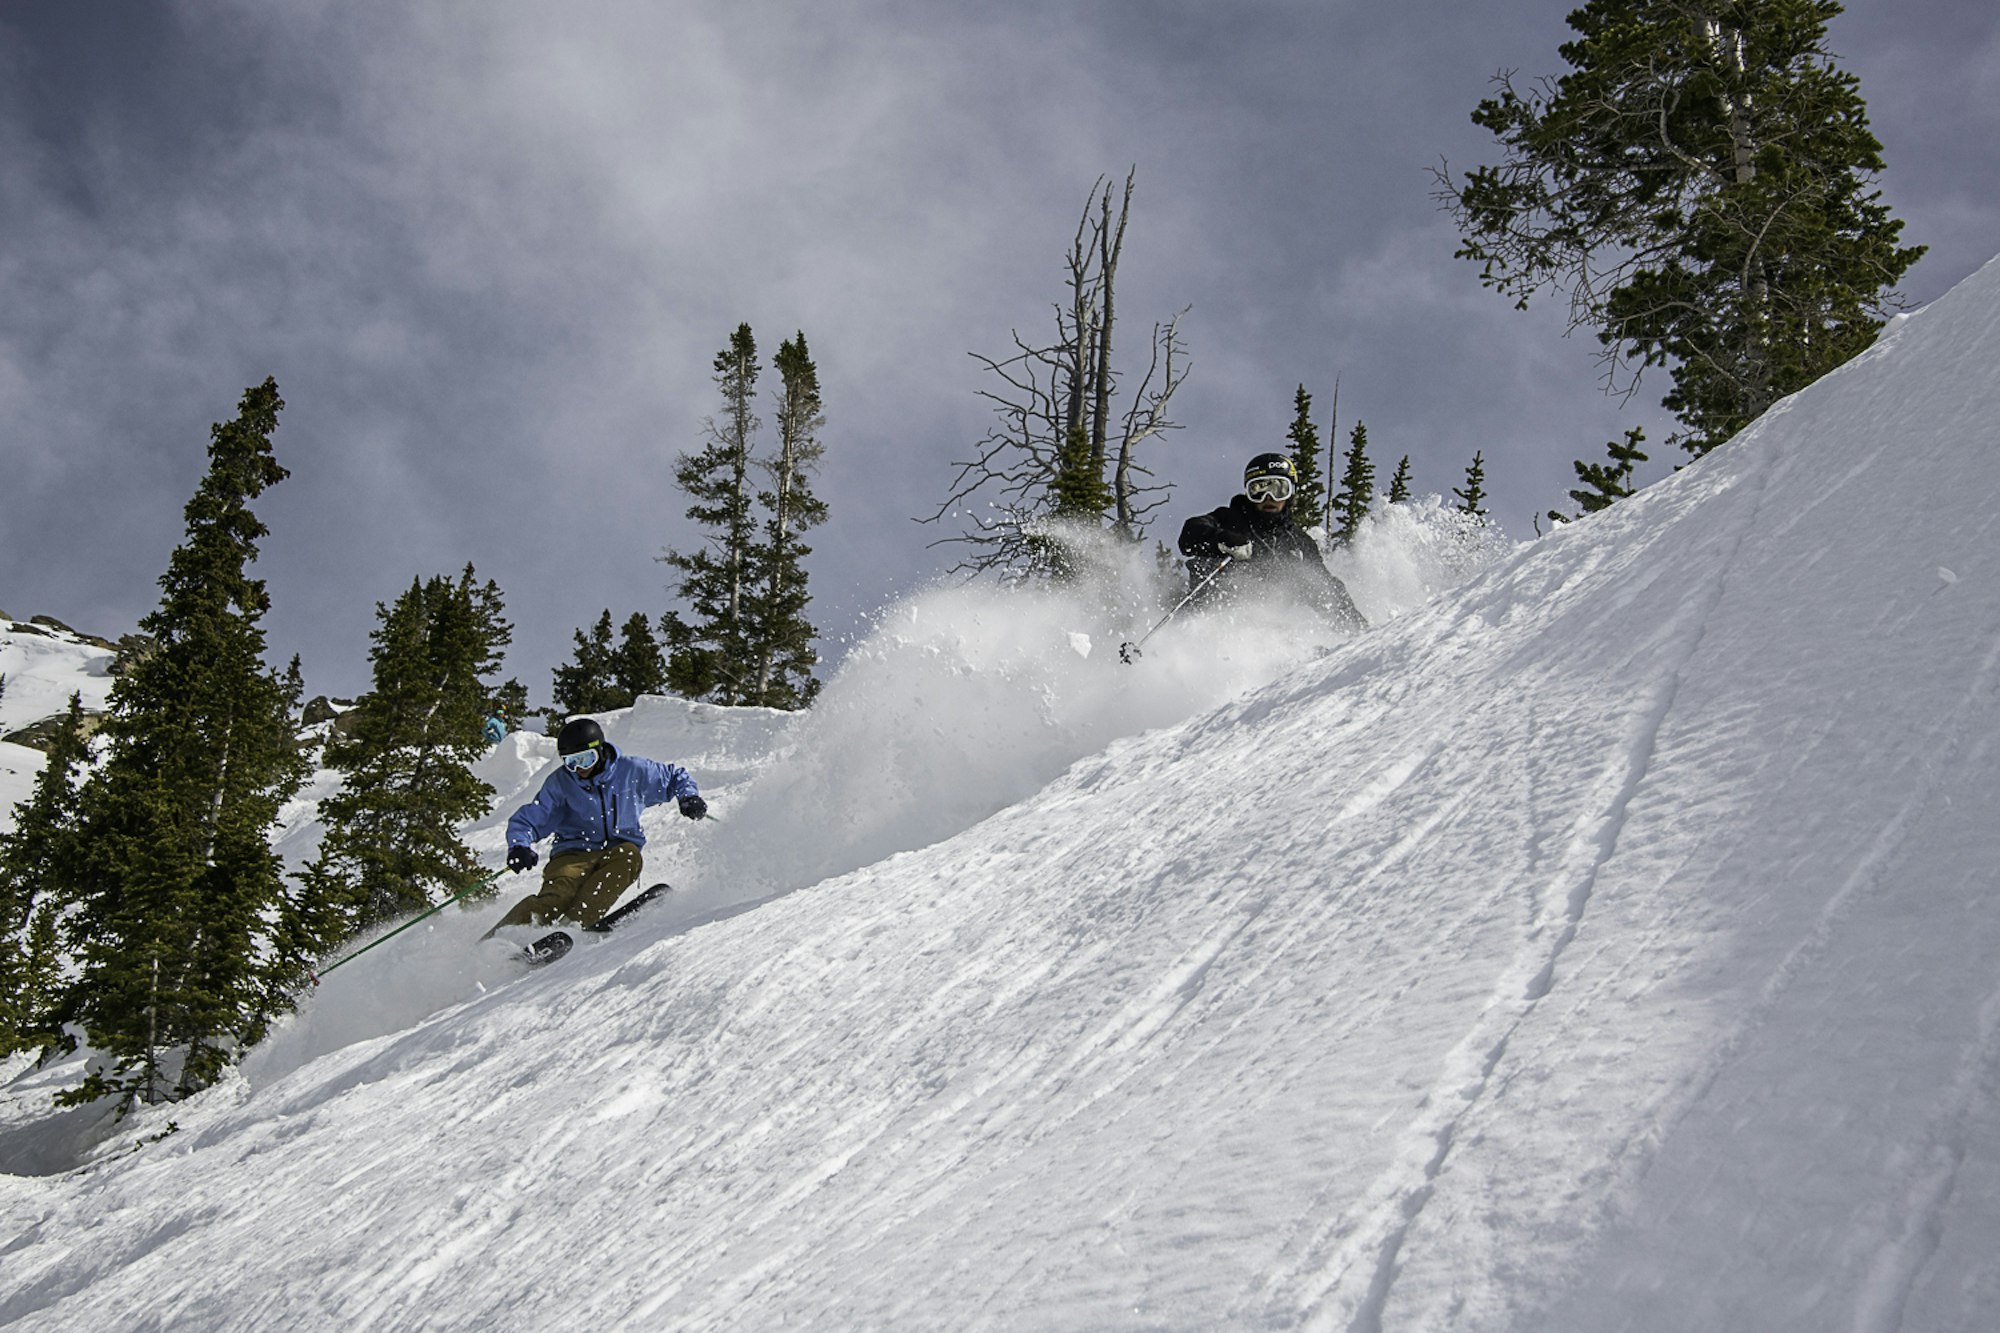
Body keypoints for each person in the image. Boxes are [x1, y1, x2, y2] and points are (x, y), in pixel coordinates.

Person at [485, 717, 708, 935]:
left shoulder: (631, 770)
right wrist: (519, 845)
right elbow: (529, 818)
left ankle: (575, 924)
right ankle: (498, 940)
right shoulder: (561, 783)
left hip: (619, 850)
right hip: (573, 853)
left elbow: (674, 777)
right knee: (556, 898)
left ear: (600, 750)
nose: (579, 769)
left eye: (585, 759)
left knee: (629, 857)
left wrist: (688, 797)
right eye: (571, 762)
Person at [1177, 452, 1366, 630]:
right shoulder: (1230, 519)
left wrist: (1357, 629)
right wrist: (1220, 538)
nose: (1269, 498)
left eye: (1278, 489)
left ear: (1291, 493)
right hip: (1212, 614)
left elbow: (1325, 586)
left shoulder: (1299, 542)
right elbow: (1190, 533)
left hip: (1269, 626)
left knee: (1306, 579)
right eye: (1258, 490)